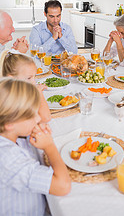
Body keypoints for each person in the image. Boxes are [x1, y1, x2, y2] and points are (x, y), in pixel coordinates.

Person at [0, 78, 71, 216]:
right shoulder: (8, 159)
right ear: (10, 124)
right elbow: (63, 186)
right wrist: (49, 146)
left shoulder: (11, 134)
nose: (38, 119)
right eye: (32, 115)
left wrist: (34, 127)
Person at [2, 53, 51, 123]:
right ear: (11, 79)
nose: (34, 82)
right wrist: (39, 92)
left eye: (34, 77)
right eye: (29, 78)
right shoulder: (13, 99)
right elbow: (46, 117)